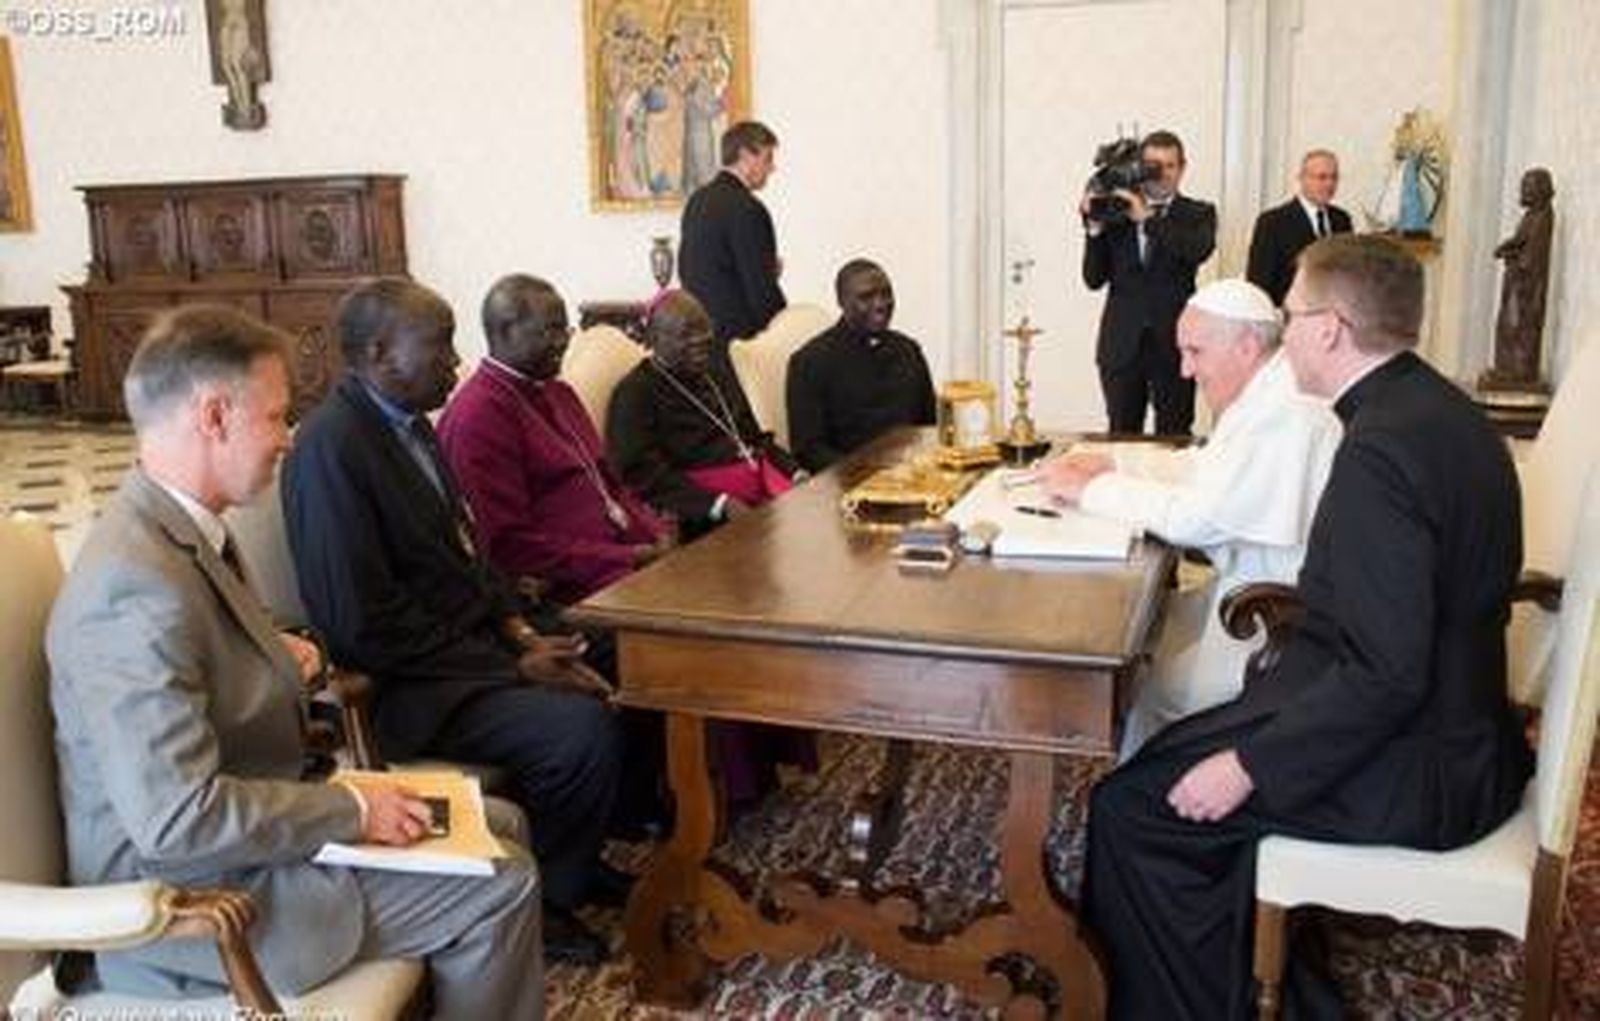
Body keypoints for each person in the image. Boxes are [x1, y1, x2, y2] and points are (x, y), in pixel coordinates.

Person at [1080, 235, 1533, 1019]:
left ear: (1329, 328)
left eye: (1290, 316)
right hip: (1460, 732)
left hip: (1425, 765)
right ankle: (1257, 979)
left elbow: (1385, 673)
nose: (1283, 334)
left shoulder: (1380, 452)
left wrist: (1250, 762)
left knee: (1131, 810)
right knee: (1161, 764)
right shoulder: (1439, 408)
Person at [47, 305, 542, 1017]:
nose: (287, 439)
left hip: (247, 843)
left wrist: (272, 647)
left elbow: (199, 660)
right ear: (214, 415)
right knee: (502, 879)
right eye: (277, 417)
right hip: (187, 902)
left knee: (501, 821)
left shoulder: (177, 532)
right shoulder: (131, 588)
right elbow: (178, 821)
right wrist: (348, 806)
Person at [282, 279, 623, 966]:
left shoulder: (410, 427)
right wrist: (511, 663)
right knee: (578, 728)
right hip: (410, 685)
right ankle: (548, 898)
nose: (457, 361)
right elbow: (362, 625)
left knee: (616, 641)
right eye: (439, 344)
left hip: (470, 644)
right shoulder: (332, 449)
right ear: (380, 353)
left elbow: (469, 556)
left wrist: (522, 630)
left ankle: (578, 855)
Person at [1039, 279, 1340, 755]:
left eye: (1195, 352)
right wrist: (1115, 464)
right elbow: (1205, 469)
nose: (1185, 370)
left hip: (1269, 619)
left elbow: (1196, 519)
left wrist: (1090, 489)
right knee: (1142, 633)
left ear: (1245, 346)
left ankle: (1146, 798)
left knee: (1149, 677)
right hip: (1244, 590)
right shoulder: (1267, 389)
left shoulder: (1286, 412)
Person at [438, 274, 670, 607]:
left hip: (623, 560)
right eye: (550, 330)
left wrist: (656, 532)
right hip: (570, 588)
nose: (563, 342)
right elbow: (508, 545)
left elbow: (610, 483)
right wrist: (627, 557)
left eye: (566, 329)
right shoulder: (479, 415)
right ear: (505, 332)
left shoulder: (558, 391)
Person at [607, 288, 802, 538]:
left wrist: (794, 471)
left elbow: (753, 439)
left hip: (758, 494)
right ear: (654, 338)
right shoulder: (634, 393)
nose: (701, 339)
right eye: (686, 333)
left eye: (704, 327)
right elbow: (642, 475)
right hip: (698, 518)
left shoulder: (716, 373)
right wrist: (717, 504)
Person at [1081, 129, 1217, 436]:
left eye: (1169, 165)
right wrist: (1093, 227)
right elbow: (1093, 278)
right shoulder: (1117, 212)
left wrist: (1147, 219)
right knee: (1121, 435)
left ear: (1182, 168)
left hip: (1174, 345)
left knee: (1175, 434)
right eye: (1152, 165)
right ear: (1139, 168)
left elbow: (1197, 250)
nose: (1161, 173)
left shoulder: (1198, 213)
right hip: (1121, 345)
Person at [786, 259, 937, 473]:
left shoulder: (909, 350)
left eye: (886, 294)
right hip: (846, 485)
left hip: (913, 477)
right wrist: (868, 473)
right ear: (841, 301)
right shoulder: (810, 362)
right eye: (866, 297)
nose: (880, 304)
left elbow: (928, 426)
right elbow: (808, 450)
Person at [678, 120, 786, 363]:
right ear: (746, 155)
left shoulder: (697, 201)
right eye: (767, 158)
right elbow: (760, 291)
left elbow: (688, 269)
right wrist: (785, 329)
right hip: (741, 346)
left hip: (700, 341)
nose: (772, 168)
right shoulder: (748, 209)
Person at [1246, 149, 1353, 306]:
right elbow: (1260, 281)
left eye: (1334, 178)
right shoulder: (1273, 222)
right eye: (1322, 177)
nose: (1329, 184)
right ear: (1302, 179)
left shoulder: (1342, 219)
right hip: (1289, 315)